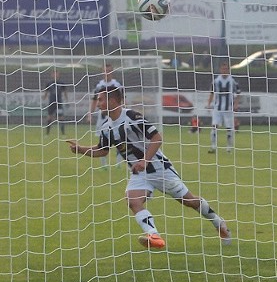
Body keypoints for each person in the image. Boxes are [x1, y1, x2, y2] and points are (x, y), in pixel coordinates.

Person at [67, 85, 231, 249]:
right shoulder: (106, 127)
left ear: (112, 100)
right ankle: (154, 236)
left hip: (159, 168)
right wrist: (81, 149)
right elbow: (102, 150)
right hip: (139, 172)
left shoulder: (132, 116)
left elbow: (157, 138)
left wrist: (145, 160)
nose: (97, 104)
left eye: (100, 100)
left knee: (189, 201)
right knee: (133, 201)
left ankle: (219, 223)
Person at [89, 64, 123, 168]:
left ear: (112, 71)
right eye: (105, 71)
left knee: (119, 137)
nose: (107, 73)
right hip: (102, 116)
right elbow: (95, 100)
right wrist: (90, 114)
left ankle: (118, 163)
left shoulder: (117, 85)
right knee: (102, 138)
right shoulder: (99, 85)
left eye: (109, 70)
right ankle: (103, 165)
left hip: (116, 115)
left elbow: (122, 100)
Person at [206, 61, 240, 153]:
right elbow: (212, 93)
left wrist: (236, 104)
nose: (224, 70)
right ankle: (213, 146)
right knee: (214, 126)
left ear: (228, 70)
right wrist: (208, 104)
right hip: (217, 108)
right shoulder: (216, 81)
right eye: (223, 69)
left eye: (226, 69)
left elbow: (238, 93)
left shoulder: (232, 81)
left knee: (229, 128)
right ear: (220, 70)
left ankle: (229, 147)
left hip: (228, 108)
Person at [42, 69, 67, 135]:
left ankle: (63, 133)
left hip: (59, 103)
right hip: (51, 102)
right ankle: (47, 133)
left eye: (57, 73)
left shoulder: (62, 83)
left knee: (61, 117)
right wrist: (44, 98)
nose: (55, 75)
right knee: (50, 117)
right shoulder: (49, 83)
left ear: (59, 75)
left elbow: (65, 92)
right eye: (54, 73)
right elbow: (46, 92)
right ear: (52, 75)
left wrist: (66, 100)